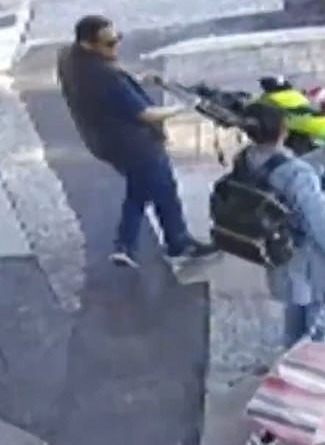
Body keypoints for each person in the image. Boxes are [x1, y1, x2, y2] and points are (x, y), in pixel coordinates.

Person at [57, 14, 216, 268]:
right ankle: (170, 244)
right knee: (160, 191)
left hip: (101, 141)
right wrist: (183, 108)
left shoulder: (68, 57)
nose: (115, 47)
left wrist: (137, 78)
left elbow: (110, 74)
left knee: (143, 186)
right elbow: (146, 114)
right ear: (88, 45)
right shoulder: (105, 78)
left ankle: (130, 245)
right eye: (108, 44)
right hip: (136, 144)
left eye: (116, 39)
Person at [240, 102, 325, 347]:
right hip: (307, 259)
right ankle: (309, 362)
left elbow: (286, 169)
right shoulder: (296, 175)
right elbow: (320, 223)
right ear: (284, 129)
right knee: (317, 318)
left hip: (277, 250)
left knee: (294, 310)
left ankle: (291, 351)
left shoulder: (246, 158)